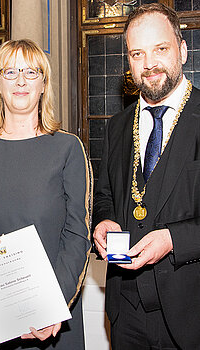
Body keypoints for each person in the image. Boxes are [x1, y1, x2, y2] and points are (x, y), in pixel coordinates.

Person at [0, 39, 92, 350]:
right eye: (10, 72)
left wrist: (53, 305)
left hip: (51, 318)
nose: (20, 81)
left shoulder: (67, 148)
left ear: (43, 84)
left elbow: (78, 234)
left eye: (31, 72)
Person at [93, 3, 200, 349]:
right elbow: (107, 196)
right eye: (137, 53)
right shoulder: (117, 127)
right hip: (126, 313)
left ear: (183, 51)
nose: (149, 64)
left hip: (191, 312)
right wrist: (104, 221)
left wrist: (173, 239)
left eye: (160, 49)